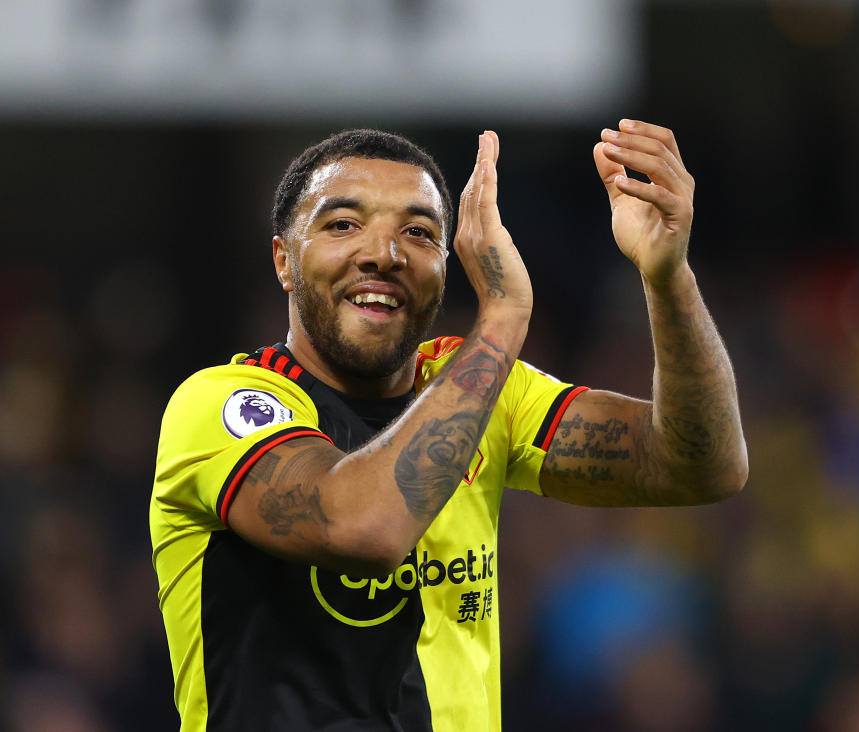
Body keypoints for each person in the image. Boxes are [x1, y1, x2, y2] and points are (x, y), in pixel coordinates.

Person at [150, 120, 748, 731]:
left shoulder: (486, 391)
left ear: (443, 265)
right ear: (284, 259)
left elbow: (700, 465)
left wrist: (668, 277)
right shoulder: (221, 406)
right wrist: (505, 315)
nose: (383, 254)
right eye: (343, 225)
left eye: (417, 232)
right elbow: (367, 526)